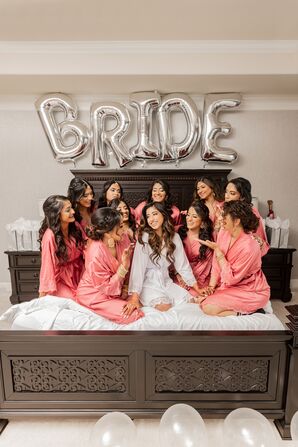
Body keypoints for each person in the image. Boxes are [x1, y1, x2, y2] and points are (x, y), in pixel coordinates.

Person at [198, 200, 270, 317]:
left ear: (236, 221)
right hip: (231, 285)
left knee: (208, 307)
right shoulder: (223, 232)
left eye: (224, 216)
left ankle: (250, 312)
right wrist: (211, 286)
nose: (221, 218)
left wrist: (219, 253)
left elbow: (231, 278)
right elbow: (216, 263)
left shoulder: (249, 247)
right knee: (203, 301)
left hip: (252, 291)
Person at [128, 202, 202, 311]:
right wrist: (134, 297)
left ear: (163, 214)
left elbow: (182, 265)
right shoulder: (144, 237)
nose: (151, 219)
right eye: (148, 216)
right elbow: (138, 268)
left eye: (154, 214)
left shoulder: (174, 237)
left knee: (190, 302)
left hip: (166, 281)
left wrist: (197, 288)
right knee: (164, 307)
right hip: (148, 283)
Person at [76, 207, 143, 324]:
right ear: (107, 232)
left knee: (142, 302)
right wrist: (124, 267)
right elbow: (105, 287)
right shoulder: (96, 253)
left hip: (118, 289)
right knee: (133, 315)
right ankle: (92, 309)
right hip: (96, 294)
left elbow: (132, 267)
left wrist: (126, 287)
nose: (124, 229)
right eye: (120, 226)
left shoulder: (124, 238)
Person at [38, 195, 85, 299]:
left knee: (88, 300)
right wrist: (43, 293)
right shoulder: (50, 236)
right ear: (57, 214)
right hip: (61, 279)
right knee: (75, 302)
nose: (73, 212)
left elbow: (87, 248)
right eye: (68, 210)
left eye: (71, 208)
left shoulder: (76, 226)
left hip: (80, 272)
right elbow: (47, 265)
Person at [224, 177, 269, 255]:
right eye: (226, 192)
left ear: (242, 197)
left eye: (232, 193)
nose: (226, 196)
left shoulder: (252, 213)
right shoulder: (222, 208)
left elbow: (259, 241)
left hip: (241, 254)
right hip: (222, 252)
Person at [178, 201, 213, 288]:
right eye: (188, 215)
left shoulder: (206, 241)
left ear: (202, 222)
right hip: (177, 274)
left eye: (194, 217)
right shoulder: (178, 232)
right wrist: (179, 276)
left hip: (197, 277)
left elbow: (204, 267)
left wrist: (189, 280)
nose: (189, 219)